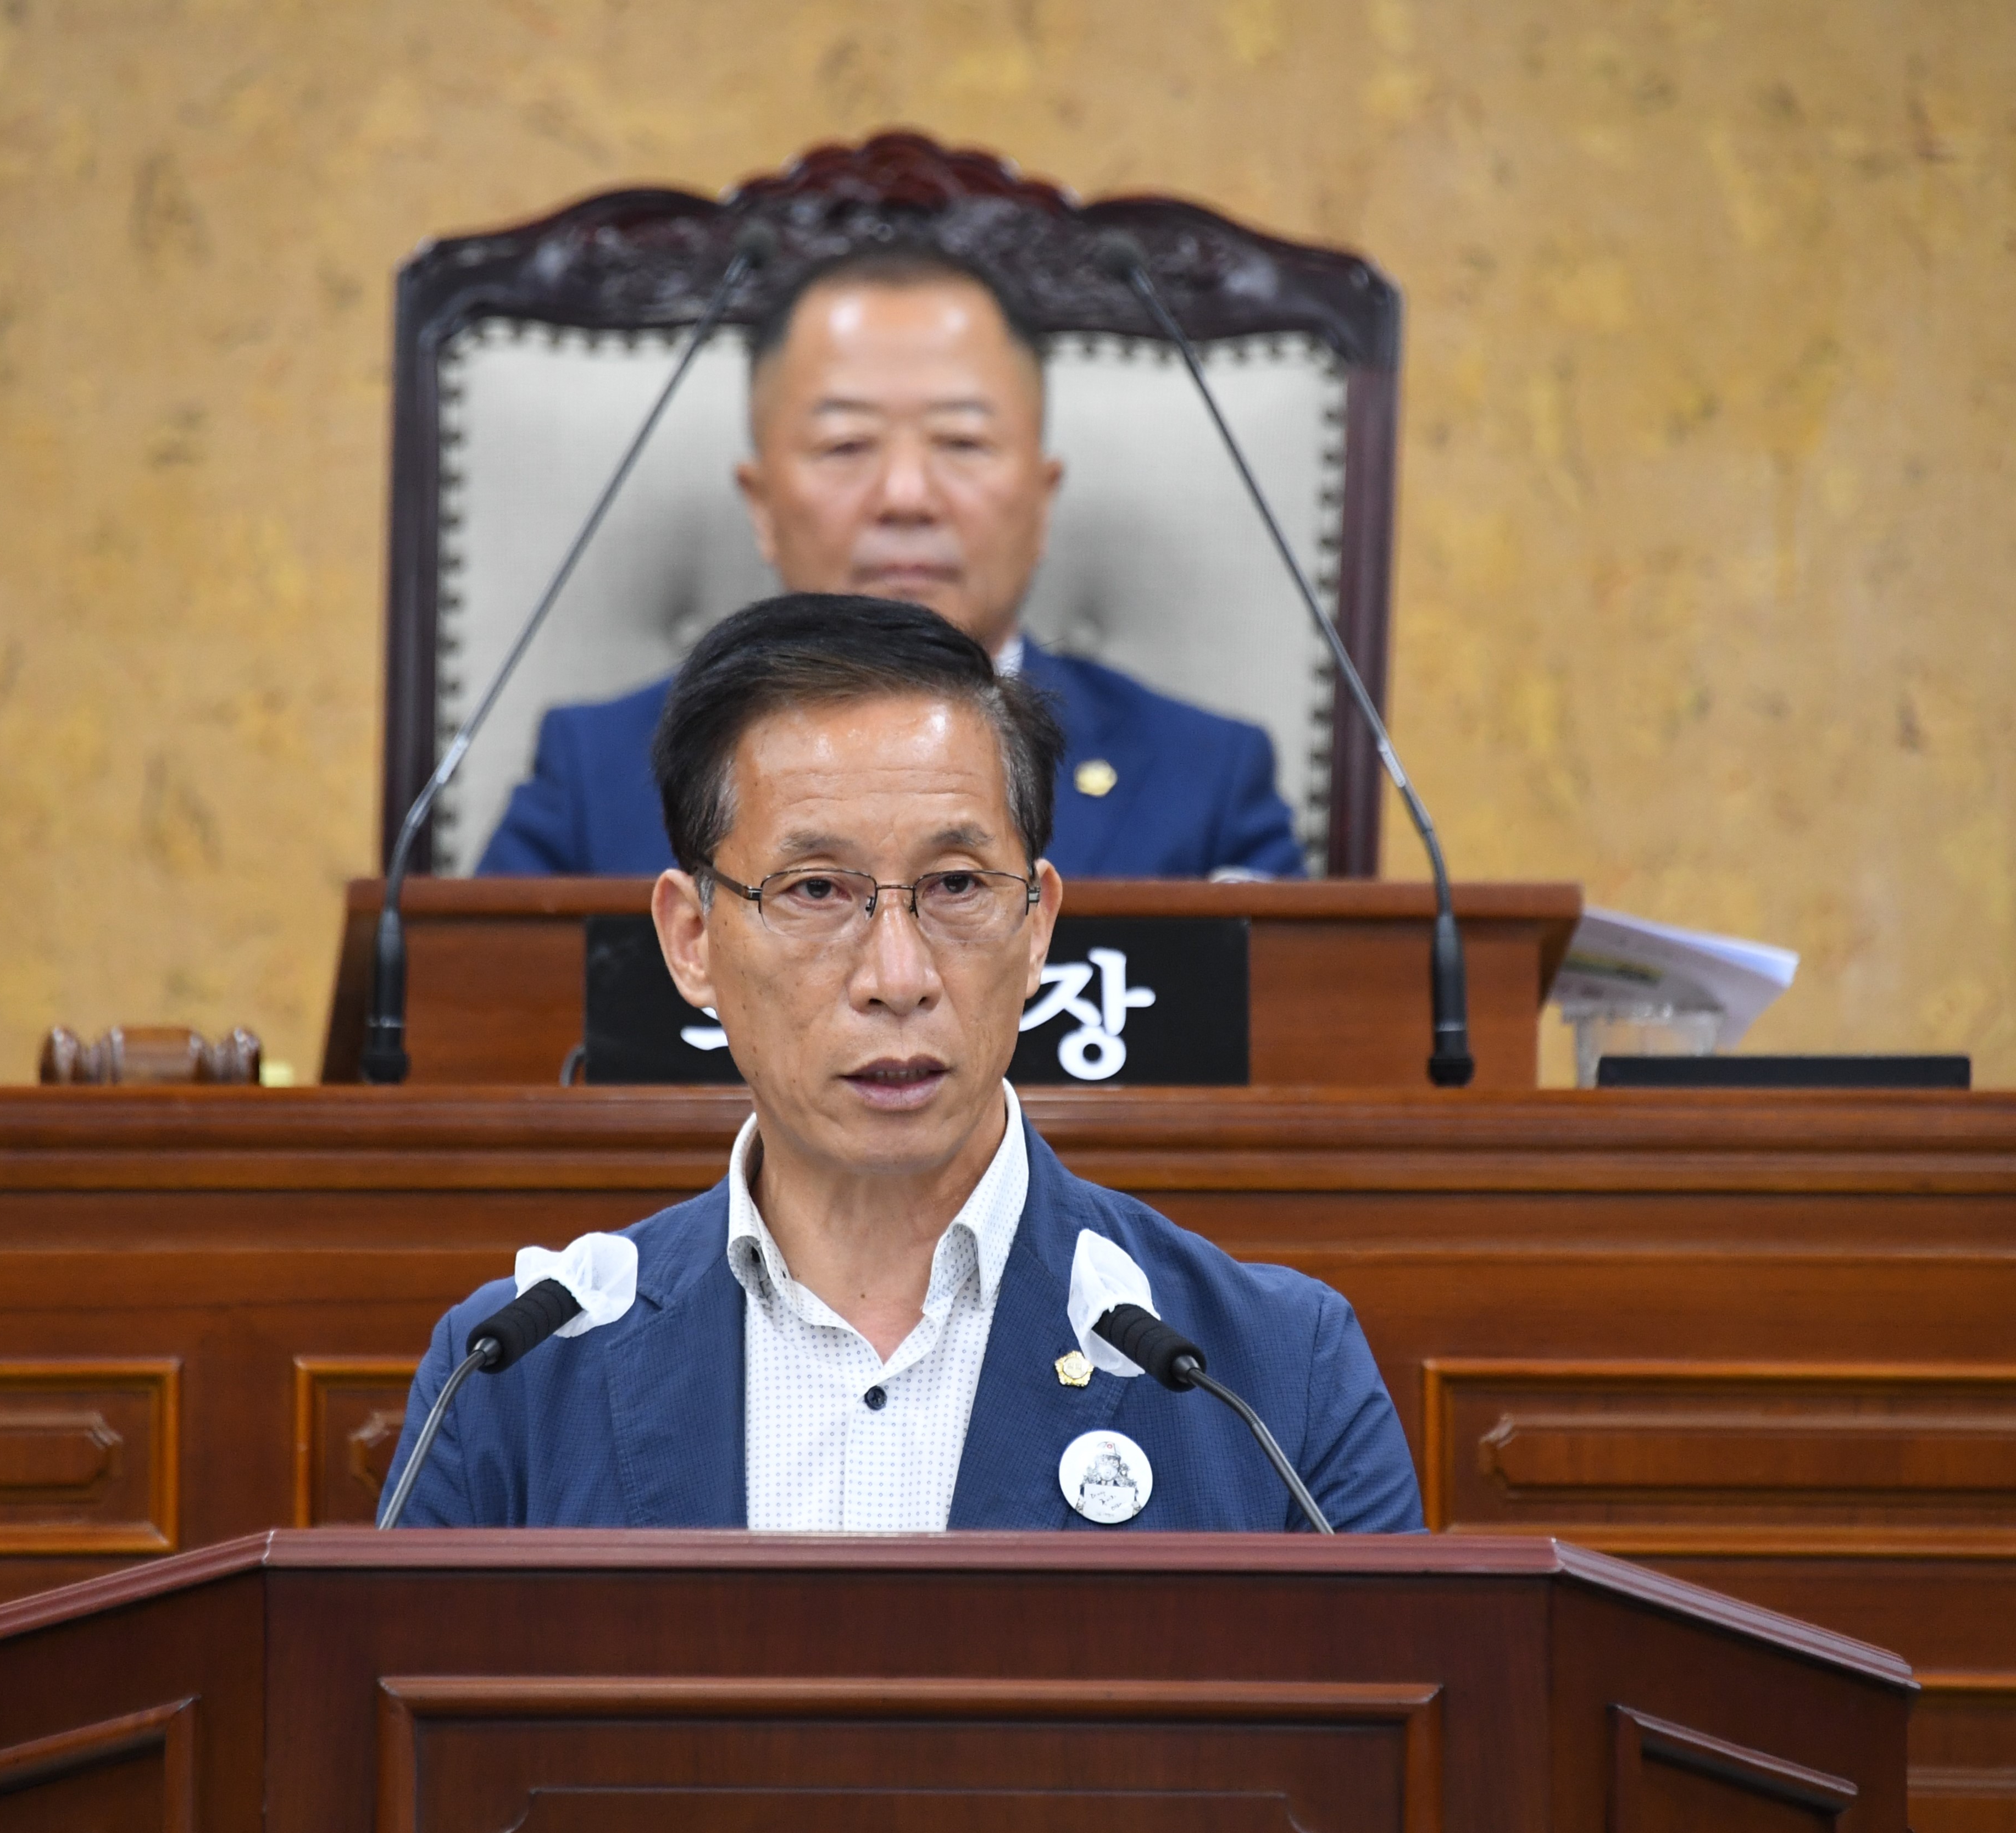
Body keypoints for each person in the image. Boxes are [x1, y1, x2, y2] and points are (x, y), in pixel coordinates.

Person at [387, 592, 1421, 1532]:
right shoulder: (509, 1376)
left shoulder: (1276, 1375)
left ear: (1037, 923)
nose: (897, 976)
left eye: (959, 885)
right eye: (816, 891)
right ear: (692, 940)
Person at [475, 246, 1309, 880]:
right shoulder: (596, 772)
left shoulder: (1208, 784)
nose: (906, 495)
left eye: (962, 442)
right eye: (846, 444)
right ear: (761, 505)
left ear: (1042, 498)